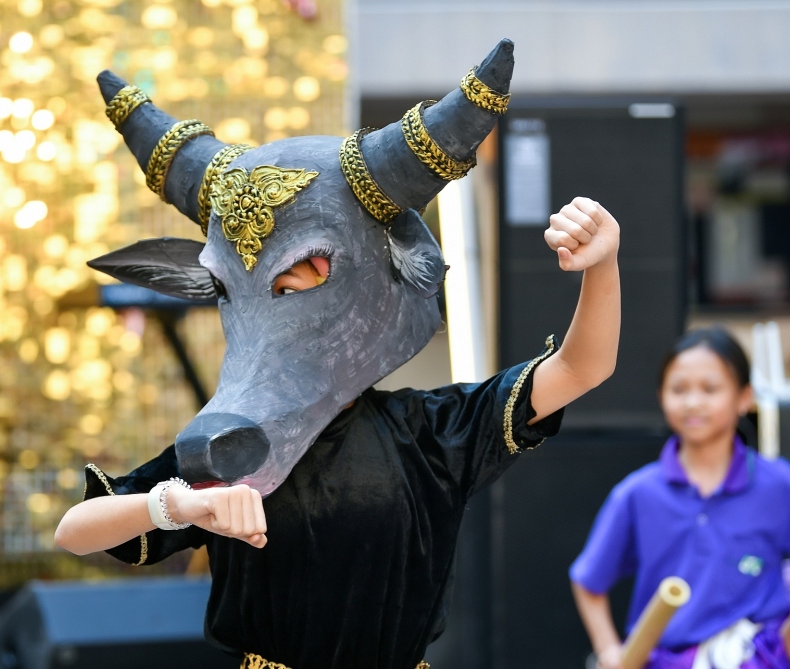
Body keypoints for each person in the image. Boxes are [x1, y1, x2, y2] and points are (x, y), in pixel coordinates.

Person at [55, 195, 622, 669]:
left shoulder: (430, 430)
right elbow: (75, 531)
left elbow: (581, 369)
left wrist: (603, 263)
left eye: (294, 290)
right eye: (266, 297)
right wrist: (176, 505)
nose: (284, 317)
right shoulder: (227, 442)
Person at [571, 327, 790, 669]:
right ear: (661, 396)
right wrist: (609, 651)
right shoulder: (638, 493)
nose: (692, 402)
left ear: (744, 397)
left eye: (710, 388)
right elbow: (588, 580)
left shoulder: (778, 484)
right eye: (679, 389)